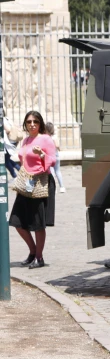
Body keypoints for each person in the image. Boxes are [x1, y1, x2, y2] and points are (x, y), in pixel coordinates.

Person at [9, 111, 56, 269]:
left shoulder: (45, 139)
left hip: (41, 182)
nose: (32, 124)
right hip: (27, 183)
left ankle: (39, 257)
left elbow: (52, 160)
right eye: (29, 122)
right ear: (25, 124)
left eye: (35, 121)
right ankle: (33, 252)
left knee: (38, 223)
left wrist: (42, 154)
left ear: (40, 123)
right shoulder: (27, 140)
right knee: (17, 221)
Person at [45, 123, 66, 193]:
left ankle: (54, 188)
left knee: (52, 172)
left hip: (49, 156)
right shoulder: (54, 137)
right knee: (58, 171)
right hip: (56, 155)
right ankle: (62, 187)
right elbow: (57, 145)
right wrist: (59, 148)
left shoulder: (46, 138)